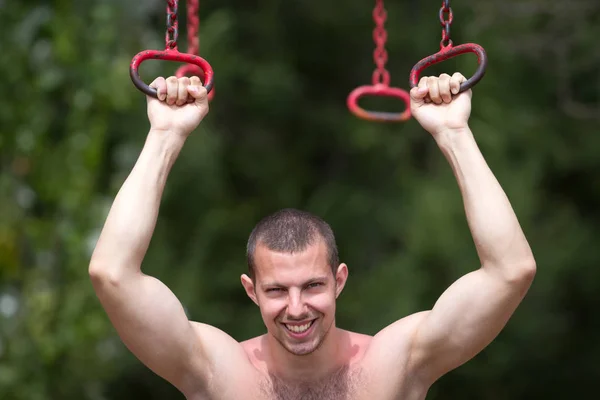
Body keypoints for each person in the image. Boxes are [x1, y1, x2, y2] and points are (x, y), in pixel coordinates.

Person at [89, 72, 536, 400]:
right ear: (251, 290)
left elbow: (510, 271)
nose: (297, 308)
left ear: (339, 280)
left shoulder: (393, 366)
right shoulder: (219, 374)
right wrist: (164, 136)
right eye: (277, 290)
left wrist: (454, 134)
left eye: (313, 285)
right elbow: (112, 274)